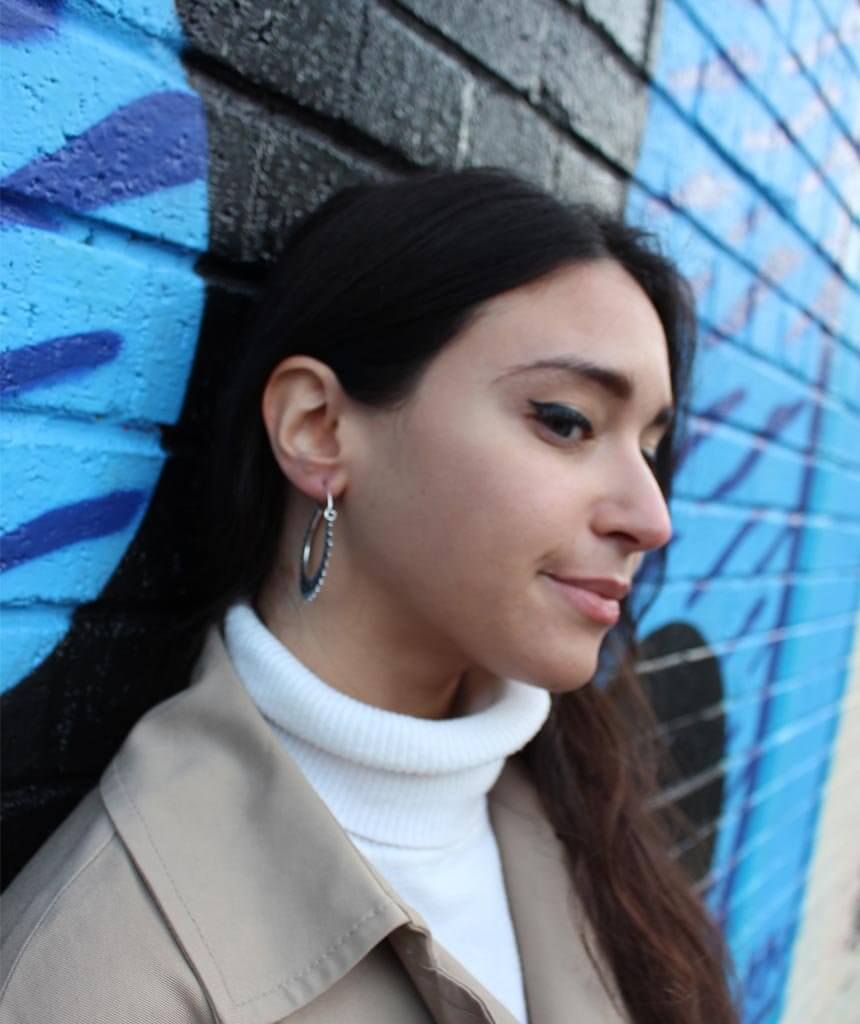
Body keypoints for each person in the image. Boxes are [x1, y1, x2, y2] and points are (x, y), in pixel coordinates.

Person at [0, 168, 740, 1024]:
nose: (651, 518)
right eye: (567, 421)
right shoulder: (101, 969)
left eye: (650, 446)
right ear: (318, 428)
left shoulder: (582, 818)